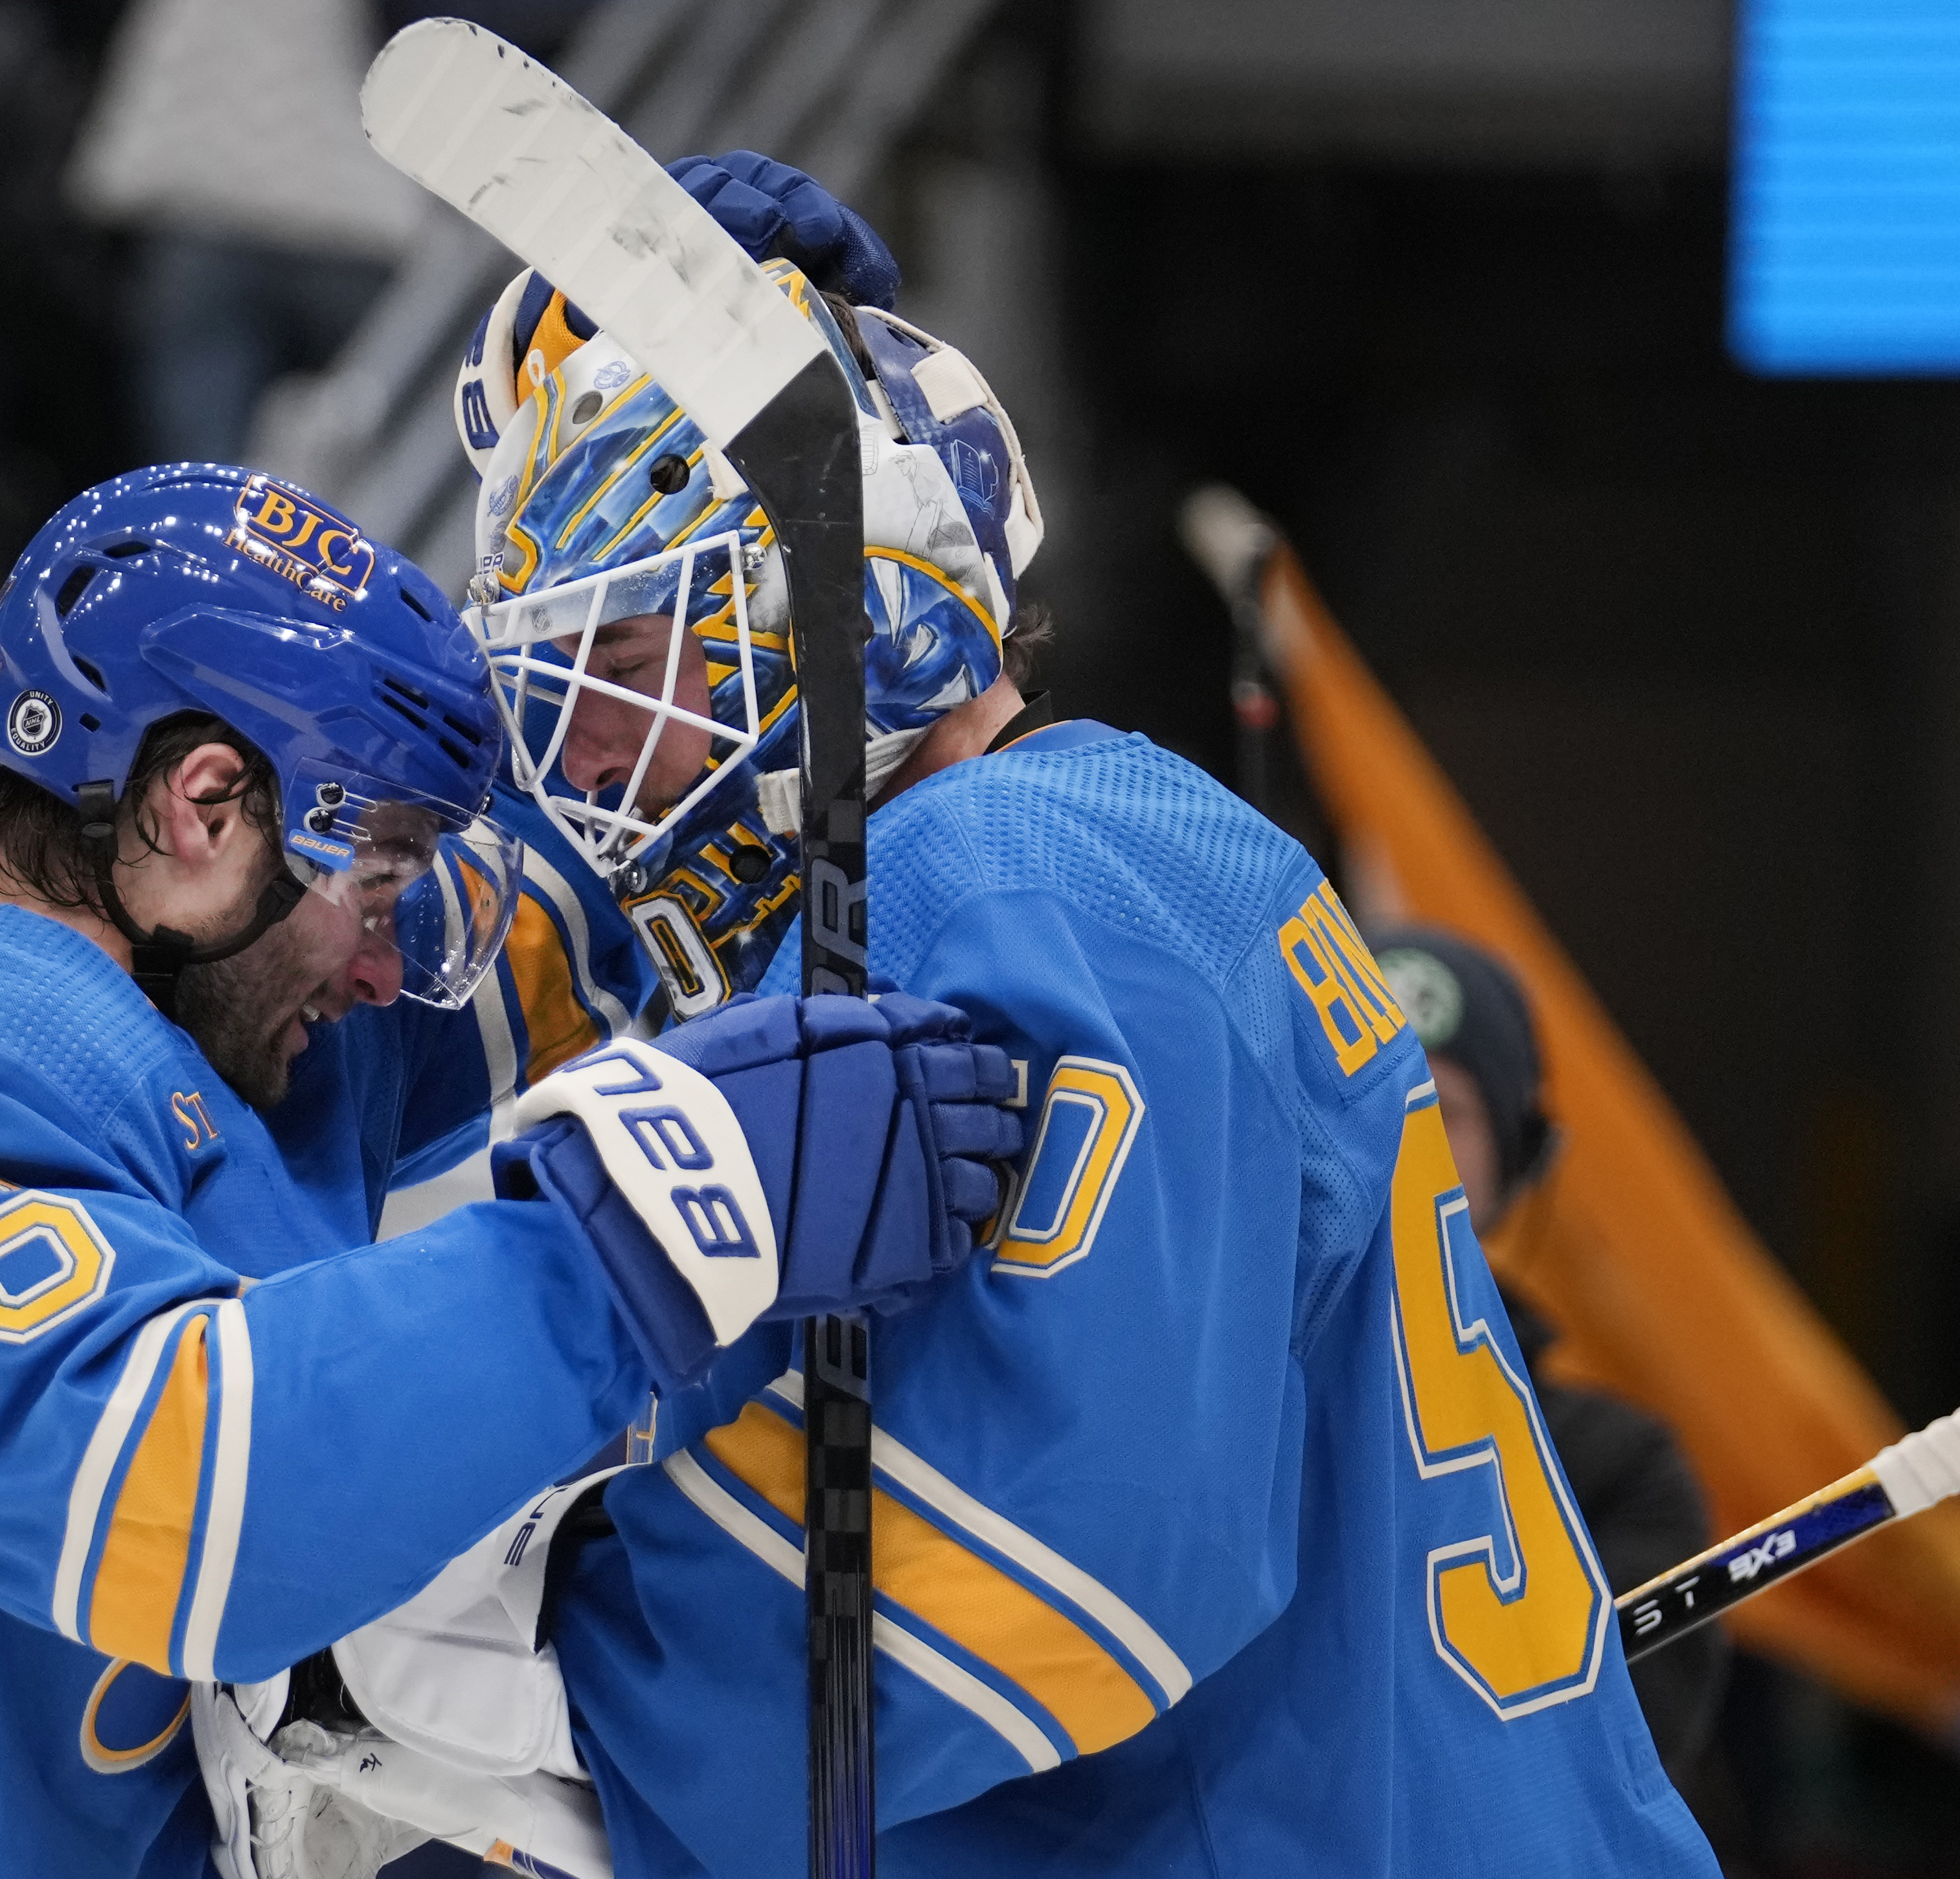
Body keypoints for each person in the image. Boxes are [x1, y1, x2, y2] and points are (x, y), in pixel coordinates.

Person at [221, 161, 1718, 1876]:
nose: (598, 758)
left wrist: (529, 1663)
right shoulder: (1011, 866)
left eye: (638, 655)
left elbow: (1072, 1551)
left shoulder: (1026, 877)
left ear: (850, 598)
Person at [0, 462, 1021, 1879]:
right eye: (382, 883)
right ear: (201, 803)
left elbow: (614, 856)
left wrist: (681, 411)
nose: (396, 965)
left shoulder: (241, 995)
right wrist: (645, 1229)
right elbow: (188, 1500)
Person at [1368, 925, 1728, 1778]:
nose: (1392, 1145)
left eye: (1437, 1111)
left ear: (1522, 1158)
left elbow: (1599, 1767)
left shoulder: (1621, 1473)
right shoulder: (1203, 1405)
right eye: (1357, 1102)